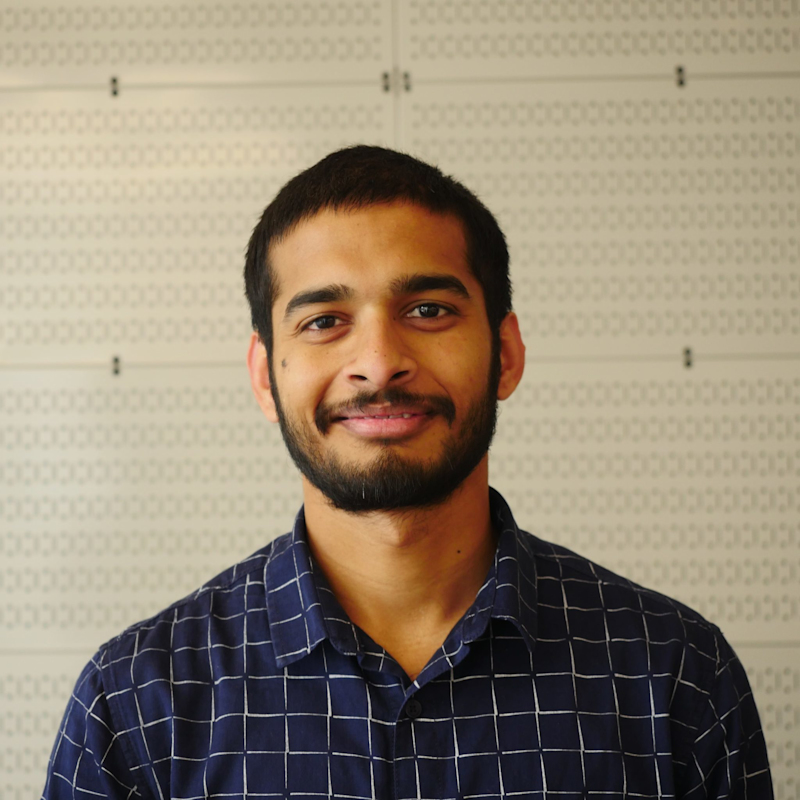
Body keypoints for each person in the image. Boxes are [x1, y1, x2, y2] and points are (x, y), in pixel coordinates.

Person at [42, 145, 772, 799]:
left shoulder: (676, 678)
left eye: (427, 309)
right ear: (265, 378)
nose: (379, 361)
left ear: (505, 353)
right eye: (325, 321)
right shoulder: (137, 703)